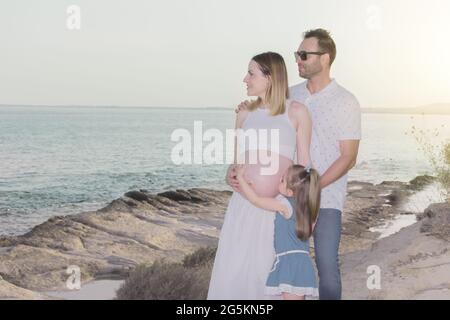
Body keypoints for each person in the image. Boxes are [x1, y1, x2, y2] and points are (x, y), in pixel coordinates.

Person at [232, 29, 361, 300]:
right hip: (285, 198)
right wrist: (246, 110)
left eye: (304, 55)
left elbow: (348, 157)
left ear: (324, 58)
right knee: (283, 262)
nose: (298, 60)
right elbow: (263, 121)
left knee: (326, 265)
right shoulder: (290, 95)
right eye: (296, 54)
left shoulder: (346, 101)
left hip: (325, 198)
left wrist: (309, 189)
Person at [207, 52, 312, 300]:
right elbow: (235, 164)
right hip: (243, 207)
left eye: (251, 73)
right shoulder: (244, 114)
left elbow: (305, 168)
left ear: (270, 77)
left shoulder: (296, 112)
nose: (245, 79)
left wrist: (303, 215)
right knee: (235, 274)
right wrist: (229, 176)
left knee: (266, 275)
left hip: (274, 211)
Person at [235, 164, 320, 300]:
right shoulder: (307, 209)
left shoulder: (285, 205)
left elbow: (256, 200)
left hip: (290, 264)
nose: (279, 180)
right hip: (301, 262)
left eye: (282, 180)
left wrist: (240, 178)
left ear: (291, 192)